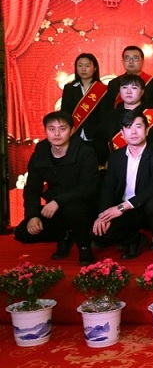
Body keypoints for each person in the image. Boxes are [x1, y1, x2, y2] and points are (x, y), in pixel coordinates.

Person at [16, 112, 99, 265]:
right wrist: (32, 216)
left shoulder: (85, 153)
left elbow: (87, 187)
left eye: (62, 129)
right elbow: (32, 189)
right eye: (51, 129)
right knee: (23, 232)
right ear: (45, 131)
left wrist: (58, 201)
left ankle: (84, 246)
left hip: (83, 206)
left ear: (72, 131)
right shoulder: (40, 154)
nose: (57, 134)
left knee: (74, 209)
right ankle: (64, 236)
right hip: (55, 208)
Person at [93, 110, 153, 262]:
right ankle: (136, 240)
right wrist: (103, 215)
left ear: (147, 130)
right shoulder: (116, 157)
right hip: (125, 210)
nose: (133, 132)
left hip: (147, 207)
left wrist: (122, 207)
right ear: (122, 133)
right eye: (128, 127)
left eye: (138, 127)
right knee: (97, 233)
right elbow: (108, 188)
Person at [60, 53, 108, 165]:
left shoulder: (102, 89)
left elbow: (105, 115)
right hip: (74, 136)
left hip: (96, 138)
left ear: (94, 68)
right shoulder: (69, 88)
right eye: (80, 65)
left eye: (87, 66)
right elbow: (65, 113)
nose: (83, 69)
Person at [105, 74, 153, 152]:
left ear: (142, 91)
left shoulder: (152, 114)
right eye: (124, 87)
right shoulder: (111, 115)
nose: (128, 91)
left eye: (134, 88)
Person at [103, 45, 153, 111]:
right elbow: (108, 109)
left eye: (135, 58)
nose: (131, 61)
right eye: (127, 58)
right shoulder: (114, 83)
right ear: (123, 61)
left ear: (142, 61)